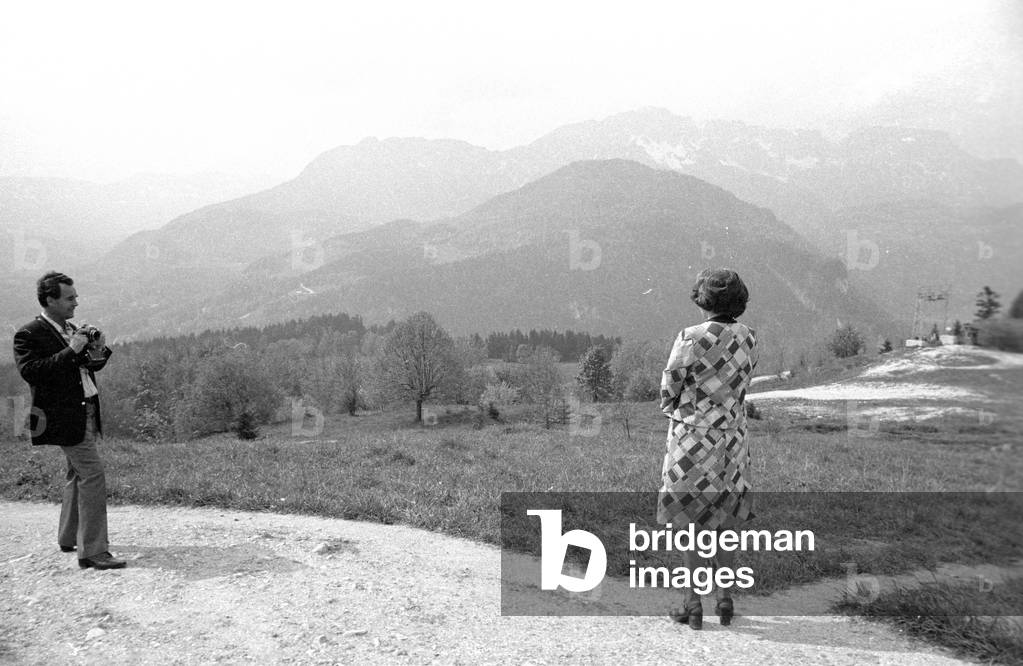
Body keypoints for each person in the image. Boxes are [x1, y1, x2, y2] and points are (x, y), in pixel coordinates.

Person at [658, 268, 758, 629]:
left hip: (692, 440)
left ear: (703, 300)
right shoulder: (749, 338)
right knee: (724, 519)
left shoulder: (691, 337)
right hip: (732, 440)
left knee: (690, 521)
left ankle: (692, 603)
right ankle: (725, 597)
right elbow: (742, 384)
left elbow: (669, 389)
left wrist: (682, 411)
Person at [12, 271, 125, 570]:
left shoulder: (70, 328)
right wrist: (72, 349)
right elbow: (33, 372)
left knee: (77, 473)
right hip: (63, 416)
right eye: (70, 298)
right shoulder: (28, 334)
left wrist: (97, 347)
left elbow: (88, 368)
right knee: (93, 474)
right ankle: (93, 551)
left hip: (84, 410)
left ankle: (69, 536)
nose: (76, 302)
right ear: (50, 300)